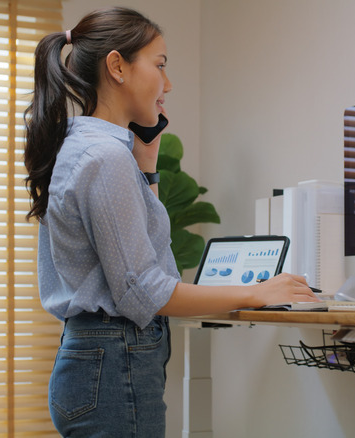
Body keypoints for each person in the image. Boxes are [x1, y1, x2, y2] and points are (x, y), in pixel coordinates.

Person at [23, 7, 318, 437]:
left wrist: (146, 166)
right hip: (114, 363)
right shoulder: (105, 158)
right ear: (117, 67)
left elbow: (142, 258)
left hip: (95, 362)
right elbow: (145, 291)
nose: (169, 83)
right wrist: (258, 292)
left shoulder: (84, 146)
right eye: (160, 65)